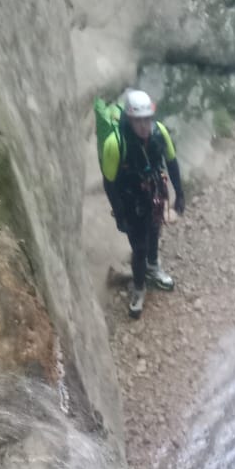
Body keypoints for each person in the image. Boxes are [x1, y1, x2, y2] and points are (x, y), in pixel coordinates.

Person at [100, 89, 185, 316]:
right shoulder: (114, 144)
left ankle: (153, 267)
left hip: (153, 193)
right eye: (138, 121)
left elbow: (171, 162)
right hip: (130, 201)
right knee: (139, 247)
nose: (144, 126)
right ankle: (139, 288)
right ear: (129, 119)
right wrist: (119, 213)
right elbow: (109, 183)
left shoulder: (160, 133)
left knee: (155, 231)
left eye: (147, 119)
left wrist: (180, 194)